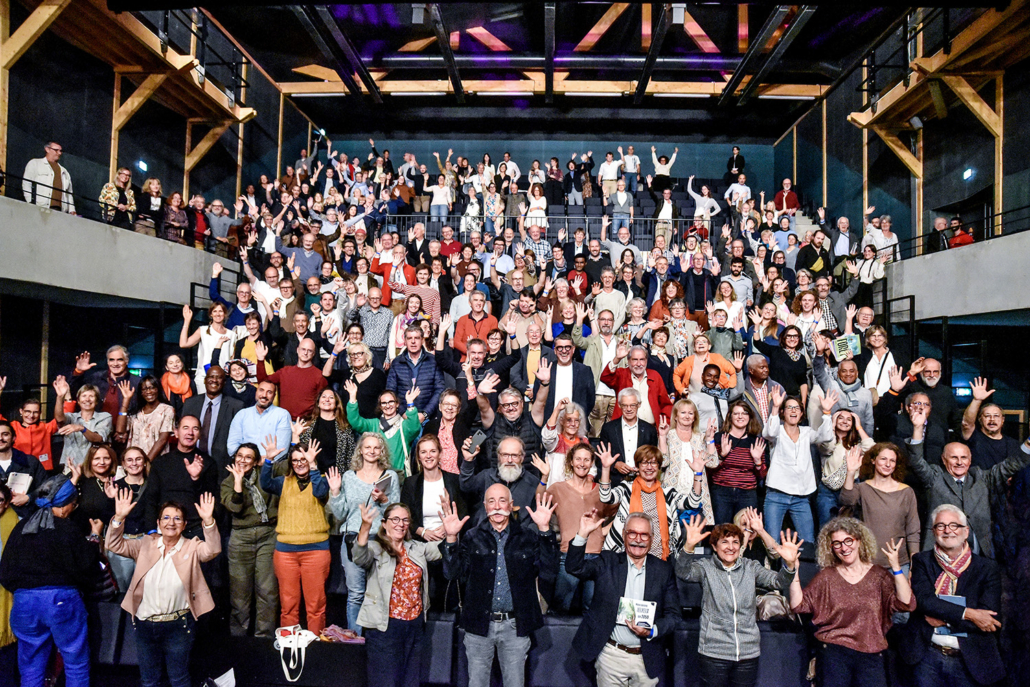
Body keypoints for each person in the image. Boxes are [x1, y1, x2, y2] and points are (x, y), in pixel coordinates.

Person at [442, 486, 559, 687]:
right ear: (485, 506)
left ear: (511, 505)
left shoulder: (527, 537)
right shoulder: (471, 537)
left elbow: (550, 570)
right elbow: (451, 574)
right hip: (478, 625)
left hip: (515, 626)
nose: (497, 506)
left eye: (502, 500)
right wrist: (451, 538)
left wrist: (544, 530)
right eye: (491, 501)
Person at [106, 488, 219, 687]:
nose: (171, 522)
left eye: (177, 518)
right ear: (158, 523)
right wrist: (119, 518)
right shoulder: (145, 544)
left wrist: (208, 521)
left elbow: (212, 550)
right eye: (166, 518)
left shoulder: (192, 546)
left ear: (184, 524)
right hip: (144, 625)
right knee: (149, 681)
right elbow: (114, 545)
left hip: (178, 626)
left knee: (179, 679)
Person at [677, 512, 801, 687]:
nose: (731, 547)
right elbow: (683, 572)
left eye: (735, 542)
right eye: (724, 542)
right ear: (714, 546)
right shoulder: (705, 567)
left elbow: (778, 581)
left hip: (747, 654)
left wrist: (789, 565)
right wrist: (688, 547)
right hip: (714, 653)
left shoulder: (751, 567)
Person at [788, 517, 915, 687]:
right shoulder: (826, 577)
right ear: (831, 548)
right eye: (837, 543)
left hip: (871, 655)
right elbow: (798, 605)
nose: (844, 548)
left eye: (848, 540)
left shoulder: (879, 576)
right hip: (834, 654)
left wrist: (896, 567)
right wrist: (793, 569)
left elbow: (907, 603)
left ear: (859, 541)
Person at [353, 499, 466, 687]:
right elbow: (359, 556)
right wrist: (365, 527)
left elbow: (443, 551)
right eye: (395, 519)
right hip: (384, 627)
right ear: (384, 523)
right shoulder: (376, 548)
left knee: (410, 681)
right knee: (385, 682)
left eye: (405, 520)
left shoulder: (416, 548)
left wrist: (451, 534)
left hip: (414, 625)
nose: (401, 524)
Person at [0, 475, 99, 687]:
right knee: (76, 662)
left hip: (24, 603)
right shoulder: (68, 529)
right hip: (61, 601)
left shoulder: (21, 528)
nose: (73, 509)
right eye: (73, 504)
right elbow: (88, 568)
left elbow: (5, 572)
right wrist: (94, 538)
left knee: (31, 667)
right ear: (62, 506)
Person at [567, 509, 682, 687]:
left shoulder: (663, 570)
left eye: (644, 535)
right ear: (623, 535)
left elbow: (674, 616)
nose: (638, 539)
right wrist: (582, 534)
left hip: (647, 658)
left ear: (652, 538)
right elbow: (575, 568)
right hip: (612, 656)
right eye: (632, 533)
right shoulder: (608, 561)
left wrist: (652, 631)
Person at [899, 504, 1005, 687]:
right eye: (941, 526)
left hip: (970, 660)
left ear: (966, 532)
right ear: (933, 531)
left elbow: (988, 618)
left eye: (954, 525)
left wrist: (944, 618)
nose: (948, 531)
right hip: (926, 657)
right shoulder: (921, 561)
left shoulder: (987, 568)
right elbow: (924, 602)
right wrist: (970, 614)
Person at [907, 405, 1030, 559]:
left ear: (970, 460)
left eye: (964, 458)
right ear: (944, 460)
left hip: (980, 554)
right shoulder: (934, 477)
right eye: (954, 458)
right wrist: (918, 428)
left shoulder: (981, 477)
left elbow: (1014, 463)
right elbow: (916, 461)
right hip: (940, 553)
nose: (960, 462)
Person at [328, 432, 401, 631]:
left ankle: (379, 639)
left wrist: (384, 501)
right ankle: (356, 640)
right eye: (367, 447)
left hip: (380, 540)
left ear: (381, 451)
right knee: (356, 594)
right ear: (360, 450)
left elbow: (396, 515)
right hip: (353, 539)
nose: (371, 451)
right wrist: (335, 492)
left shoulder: (390, 476)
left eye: (376, 447)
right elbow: (340, 514)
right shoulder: (348, 477)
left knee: (380, 594)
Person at [260, 438, 332, 634]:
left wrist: (314, 466)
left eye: (303, 459)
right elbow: (265, 483)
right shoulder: (284, 482)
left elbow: (320, 492)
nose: (300, 463)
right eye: (295, 460)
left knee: (315, 606)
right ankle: (288, 645)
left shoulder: (321, 480)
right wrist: (269, 461)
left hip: (316, 551)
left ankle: (315, 646)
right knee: (288, 605)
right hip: (286, 553)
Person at [597, 443, 703, 559]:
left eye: (653, 463)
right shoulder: (627, 489)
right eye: (644, 463)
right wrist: (606, 469)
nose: (649, 467)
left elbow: (693, 503)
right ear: (637, 466)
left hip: (660, 557)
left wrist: (698, 474)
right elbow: (606, 497)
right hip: (627, 555)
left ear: (659, 466)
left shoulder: (668, 493)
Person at [763, 388, 838, 544]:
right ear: (783, 412)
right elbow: (769, 432)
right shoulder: (777, 431)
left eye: (797, 408)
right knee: (771, 542)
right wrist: (775, 407)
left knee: (808, 542)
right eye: (789, 407)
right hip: (776, 495)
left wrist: (826, 412)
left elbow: (826, 436)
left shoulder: (806, 432)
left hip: (801, 498)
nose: (793, 410)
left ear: (802, 413)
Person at [400, 435, 466, 609]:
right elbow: (405, 515)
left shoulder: (453, 480)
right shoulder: (411, 483)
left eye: (432, 451)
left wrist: (447, 528)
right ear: (418, 456)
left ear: (440, 454)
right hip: (420, 543)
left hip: (448, 541)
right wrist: (422, 531)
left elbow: (463, 511)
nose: (428, 456)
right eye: (423, 452)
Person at [220, 443, 278, 637]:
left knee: (267, 592)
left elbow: (288, 469)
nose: (242, 460)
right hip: (241, 537)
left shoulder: (265, 475)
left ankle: (264, 638)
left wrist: (291, 442)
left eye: (248, 457)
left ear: (255, 462)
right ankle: (238, 641)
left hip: (267, 534)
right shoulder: (228, 482)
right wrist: (238, 484)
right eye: (240, 456)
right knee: (240, 595)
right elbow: (235, 508)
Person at [839, 443, 920, 570]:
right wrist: (851, 472)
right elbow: (846, 500)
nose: (888, 464)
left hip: (899, 563)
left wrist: (915, 565)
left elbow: (913, 530)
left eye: (892, 461)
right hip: (868, 562)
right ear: (873, 460)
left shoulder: (906, 492)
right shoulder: (862, 488)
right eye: (883, 459)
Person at [143, 415, 219, 536]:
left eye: (195, 429)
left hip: (196, 529)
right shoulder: (160, 463)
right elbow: (151, 498)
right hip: (166, 527)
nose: (190, 433)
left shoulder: (208, 463)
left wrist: (196, 479)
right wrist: (151, 530)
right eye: (185, 428)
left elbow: (211, 500)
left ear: (199, 434)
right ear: (176, 433)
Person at [345, 382, 422, 476]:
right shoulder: (374, 425)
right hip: (375, 476)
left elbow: (414, 428)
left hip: (399, 477)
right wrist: (352, 397)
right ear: (380, 407)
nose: (388, 405)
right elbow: (355, 421)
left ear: (397, 404)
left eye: (391, 402)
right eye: (384, 403)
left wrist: (410, 403)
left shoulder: (404, 426)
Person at [181, 366, 245, 475]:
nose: (214, 380)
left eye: (219, 377)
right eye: (211, 377)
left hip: (222, 468)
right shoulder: (190, 403)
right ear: (205, 380)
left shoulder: (236, 406)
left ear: (224, 382)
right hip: (191, 463)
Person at [960, 376, 1023, 469]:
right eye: (987, 416)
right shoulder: (974, 437)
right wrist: (977, 400)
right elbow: (966, 424)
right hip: (978, 478)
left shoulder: (1013, 444)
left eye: (996, 416)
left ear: (1003, 420)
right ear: (980, 419)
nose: (992, 420)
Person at [50, 377, 113, 469]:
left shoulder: (105, 417)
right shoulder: (71, 417)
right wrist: (60, 397)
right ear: (78, 401)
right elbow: (59, 418)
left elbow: (98, 438)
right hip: (71, 466)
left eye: (91, 396)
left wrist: (81, 428)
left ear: (96, 401)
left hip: (95, 467)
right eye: (84, 396)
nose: (87, 399)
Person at [227, 380, 293, 462]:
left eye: (269, 392)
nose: (264, 395)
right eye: (261, 390)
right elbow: (232, 446)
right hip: (244, 464)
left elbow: (282, 450)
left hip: (272, 465)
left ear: (274, 396)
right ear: (256, 392)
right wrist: (246, 460)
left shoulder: (282, 415)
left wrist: (264, 461)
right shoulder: (242, 414)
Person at [115, 376, 174, 462]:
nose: (149, 391)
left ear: (158, 389)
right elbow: (120, 430)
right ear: (141, 393)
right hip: (134, 461)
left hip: (156, 461)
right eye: (144, 389)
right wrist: (126, 400)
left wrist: (146, 462)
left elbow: (162, 439)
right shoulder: (137, 411)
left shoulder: (167, 410)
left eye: (152, 388)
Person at [22, 141, 75, 212]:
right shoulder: (35, 163)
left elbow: (69, 193)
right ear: (47, 149)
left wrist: (72, 210)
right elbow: (26, 183)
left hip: (60, 211)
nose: (59, 153)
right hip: (40, 207)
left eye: (60, 151)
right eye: (56, 150)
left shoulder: (64, 171)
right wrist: (30, 202)